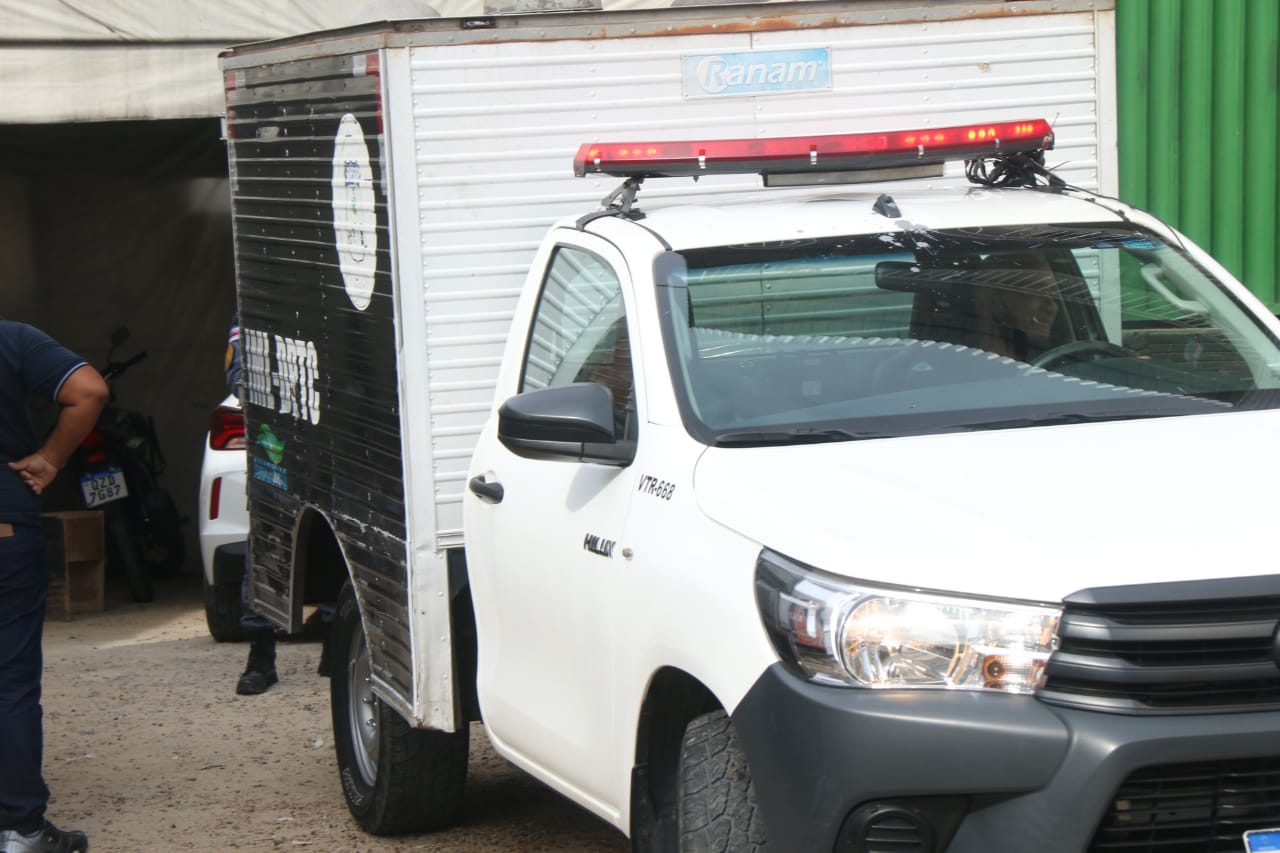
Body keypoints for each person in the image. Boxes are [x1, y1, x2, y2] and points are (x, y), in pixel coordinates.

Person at [1, 317, 108, 853]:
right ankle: (20, 831)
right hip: (3, 527)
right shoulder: (10, 339)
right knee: (9, 682)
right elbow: (89, 390)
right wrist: (50, 458)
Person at [225, 315, 280, 695]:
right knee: (265, 543)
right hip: (276, 439)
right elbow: (237, 373)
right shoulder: (256, 295)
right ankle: (262, 657)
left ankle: (336, 647)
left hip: (335, 437)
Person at [974, 250, 1063, 361]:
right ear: (995, 301)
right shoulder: (954, 355)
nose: (1051, 307)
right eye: (1036, 292)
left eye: (1052, 294)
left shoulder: (1061, 357)